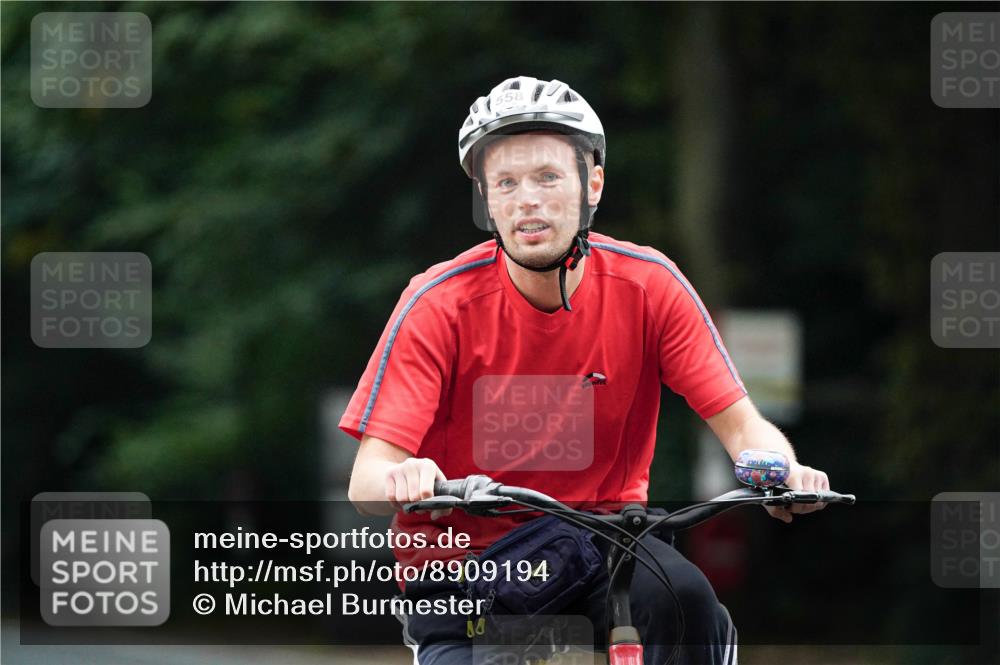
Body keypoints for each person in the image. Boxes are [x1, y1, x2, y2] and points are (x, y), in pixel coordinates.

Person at [340, 75, 831, 665]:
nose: (528, 199)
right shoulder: (438, 304)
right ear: (485, 197)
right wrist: (408, 477)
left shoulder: (649, 287)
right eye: (506, 183)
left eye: (548, 177)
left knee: (685, 599)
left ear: (590, 183)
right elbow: (367, 480)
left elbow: (743, 428)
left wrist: (782, 472)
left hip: (606, 552)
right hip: (468, 573)